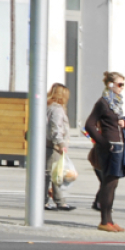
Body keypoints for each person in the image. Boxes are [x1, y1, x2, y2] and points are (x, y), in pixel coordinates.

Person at [84, 71, 125, 233]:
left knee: (113, 183)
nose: (122, 88)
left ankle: (109, 220)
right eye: (119, 84)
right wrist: (103, 142)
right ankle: (104, 220)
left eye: (123, 84)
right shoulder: (103, 102)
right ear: (110, 85)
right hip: (109, 148)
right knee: (108, 183)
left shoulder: (116, 103)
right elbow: (89, 125)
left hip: (118, 146)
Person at [45, 83, 75, 211]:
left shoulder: (47, 106)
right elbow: (56, 128)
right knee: (54, 174)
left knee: (51, 174)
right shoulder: (57, 109)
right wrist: (61, 144)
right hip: (53, 146)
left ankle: (56, 200)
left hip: (46, 144)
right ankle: (55, 201)